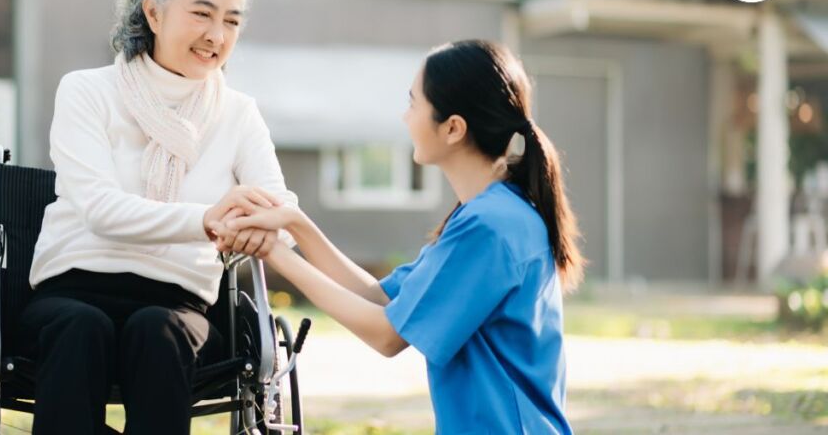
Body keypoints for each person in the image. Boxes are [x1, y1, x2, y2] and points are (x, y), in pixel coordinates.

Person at [211, 40, 585, 434]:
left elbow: (388, 336)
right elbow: (381, 297)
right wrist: (296, 225)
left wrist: (274, 253)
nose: (405, 117)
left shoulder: (489, 226)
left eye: (413, 103)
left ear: (453, 128)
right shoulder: (496, 212)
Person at [19, 0, 295, 435]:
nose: (217, 35)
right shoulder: (86, 91)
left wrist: (262, 222)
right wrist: (209, 219)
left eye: (232, 21)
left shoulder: (238, 113)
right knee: (82, 328)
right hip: (74, 288)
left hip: (179, 304)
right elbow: (101, 210)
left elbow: (279, 207)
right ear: (154, 12)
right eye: (202, 14)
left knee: (158, 329)